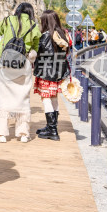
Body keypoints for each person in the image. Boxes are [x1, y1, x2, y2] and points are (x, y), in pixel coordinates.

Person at [0, 3, 41, 143]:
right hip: (22, 64)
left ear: (17, 11)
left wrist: (3, 40)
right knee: (23, 98)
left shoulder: (7, 20)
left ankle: (1, 134)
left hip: (4, 64)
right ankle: (23, 133)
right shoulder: (34, 26)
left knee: (3, 98)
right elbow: (35, 47)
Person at [33, 10, 72, 141]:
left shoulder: (45, 36)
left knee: (46, 99)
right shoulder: (63, 34)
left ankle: (52, 130)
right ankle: (52, 126)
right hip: (59, 72)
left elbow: (42, 54)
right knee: (54, 98)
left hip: (47, 72)